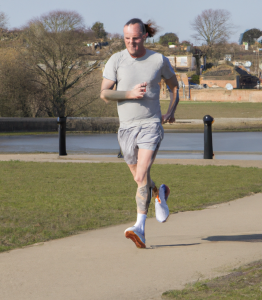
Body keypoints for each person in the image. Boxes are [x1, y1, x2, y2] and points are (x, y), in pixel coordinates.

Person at [100, 18, 179, 248]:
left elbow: (175, 87)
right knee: (140, 178)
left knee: (140, 174)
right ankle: (159, 192)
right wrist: (129, 94)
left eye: (135, 38)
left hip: (150, 125)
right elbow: (104, 94)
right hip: (125, 128)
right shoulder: (116, 59)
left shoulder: (158, 60)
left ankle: (140, 228)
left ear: (144, 36)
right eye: (127, 39)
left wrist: (171, 111)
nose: (131, 43)